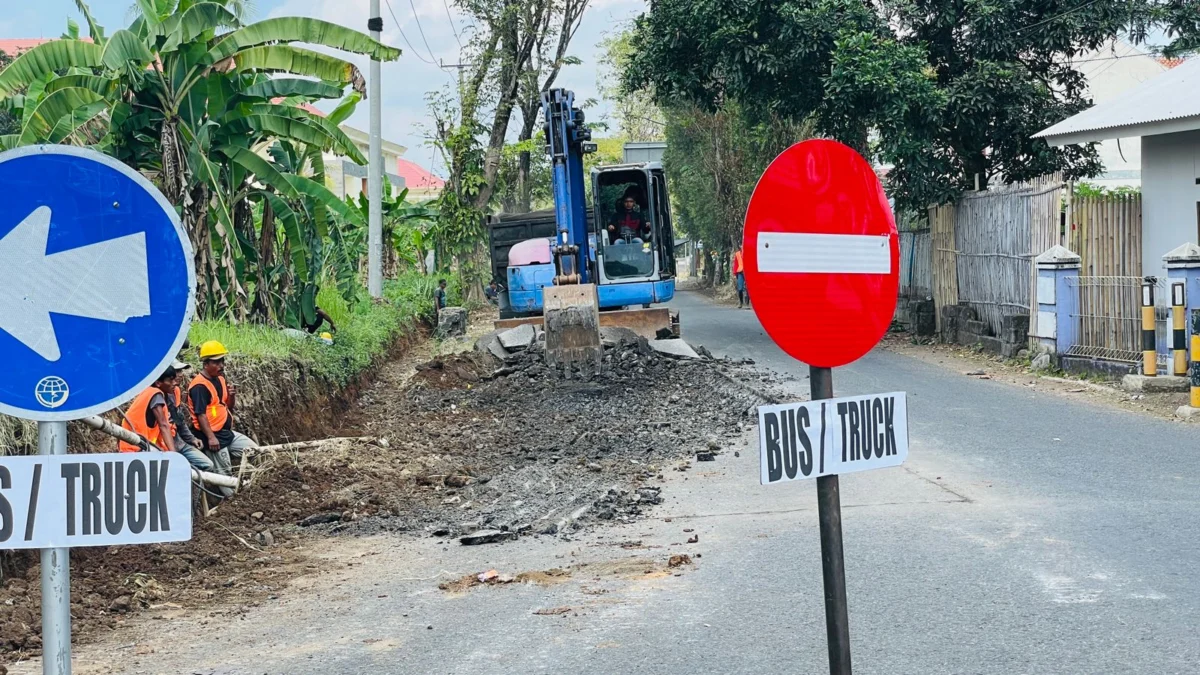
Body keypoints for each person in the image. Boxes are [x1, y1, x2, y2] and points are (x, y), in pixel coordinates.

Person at [188, 340, 258, 495]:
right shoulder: (199, 386)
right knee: (223, 474)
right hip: (213, 438)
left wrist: (232, 396)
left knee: (255, 451)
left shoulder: (220, 378)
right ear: (206, 364)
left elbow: (227, 407)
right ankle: (233, 501)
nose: (221, 365)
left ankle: (254, 486)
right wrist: (211, 438)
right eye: (217, 362)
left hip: (226, 433)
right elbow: (200, 414)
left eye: (222, 361)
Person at [119, 366, 214, 472]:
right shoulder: (154, 394)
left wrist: (191, 439)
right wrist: (174, 456)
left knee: (207, 465)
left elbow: (178, 420)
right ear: (158, 383)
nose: (175, 382)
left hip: (167, 444)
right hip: (139, 449)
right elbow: (163, 425)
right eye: (171, 380)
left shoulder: (171, 393)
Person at [733, 244, 749, 308]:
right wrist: (735, 273)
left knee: (748, 289)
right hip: (740, 272)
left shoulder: (748, 253)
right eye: (741, 245)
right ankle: (741, 302)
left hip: (747, 272)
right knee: (740, 289)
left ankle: (747, 304)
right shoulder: (737, 254)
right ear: (740, 246)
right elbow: (735, 264)